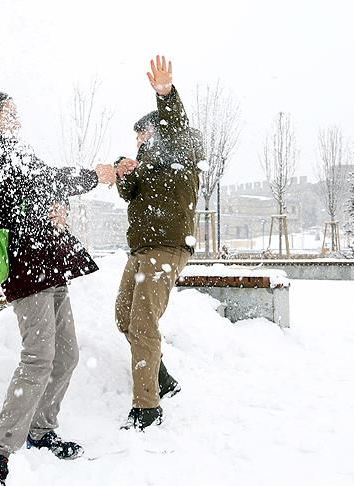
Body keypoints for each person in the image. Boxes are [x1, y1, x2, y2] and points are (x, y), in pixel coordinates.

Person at [0, 90, 117, 486]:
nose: (17, 119)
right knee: (38, 358)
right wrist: (93, 176)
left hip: (48, 263)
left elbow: (40, 188)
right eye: (9, 113)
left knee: (66, 355)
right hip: (26, 267)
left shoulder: (12, 149)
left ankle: (41, 430)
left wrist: (57, 207)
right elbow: (40, 183)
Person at [113, 56, 204, 430]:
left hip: (167, 247)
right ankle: (162, 378)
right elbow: (128, 193)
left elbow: (176, 125)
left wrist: (165, 94)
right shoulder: (146, 166)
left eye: (144, 136)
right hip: (141, 249)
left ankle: (147, 408)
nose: (139, 142)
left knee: (143, 323)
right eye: (137, 138)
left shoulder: (181, 150)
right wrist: (123, 171)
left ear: (160, 132)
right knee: (124, 317)